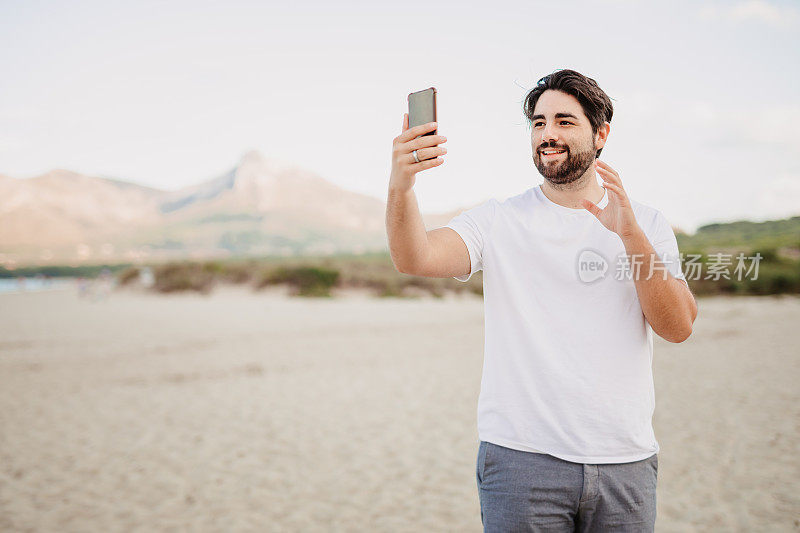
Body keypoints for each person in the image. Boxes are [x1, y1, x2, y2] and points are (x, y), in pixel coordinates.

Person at [385, 69, 698, 532]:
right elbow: (415, 256)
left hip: (625, 464)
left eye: (565, 121)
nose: (548, 134)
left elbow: (678, 327)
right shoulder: (499, 220)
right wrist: (401, 185)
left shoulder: (646, 223)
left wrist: (628, 233)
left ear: (601, 133)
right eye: (538, 122)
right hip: (521, 464)